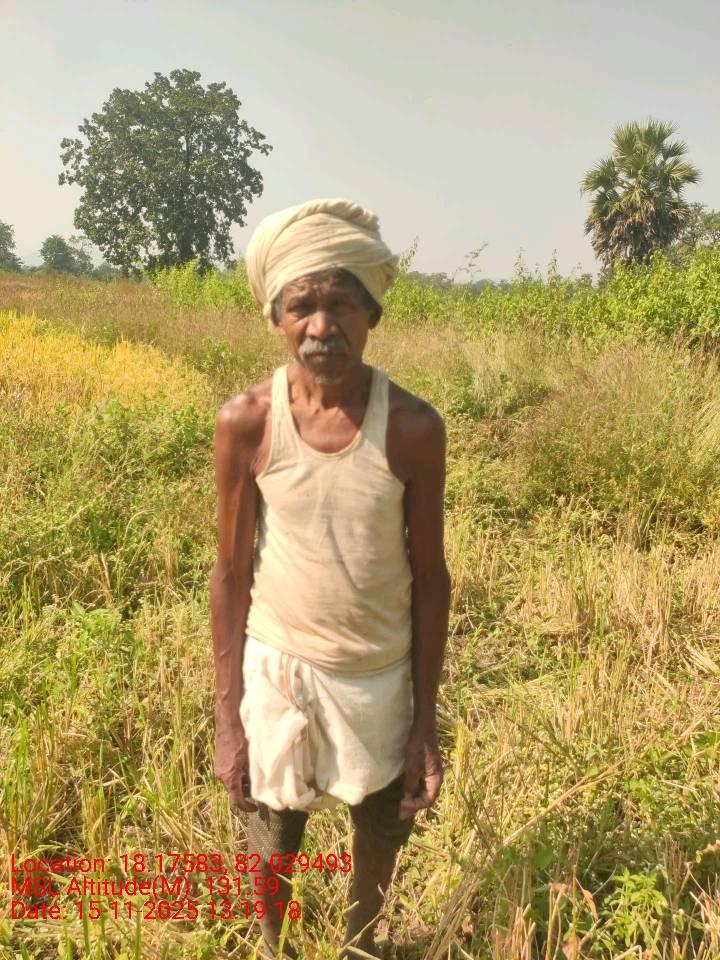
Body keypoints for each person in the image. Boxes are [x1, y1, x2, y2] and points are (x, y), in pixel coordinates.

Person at [210, 198, 451, 958]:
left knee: (379, 831)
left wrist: (423, 721)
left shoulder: (412, 427)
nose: (322, 327)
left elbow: (432, 579)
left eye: (342, 305)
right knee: (271, 836)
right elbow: (230, 574)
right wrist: (228, 717)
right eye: (302, 307)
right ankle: (271, 947)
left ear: (372, 313)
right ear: (277, 317)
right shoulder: (248, 421)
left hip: (378, 676)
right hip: (278, 667)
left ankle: (362, 948)